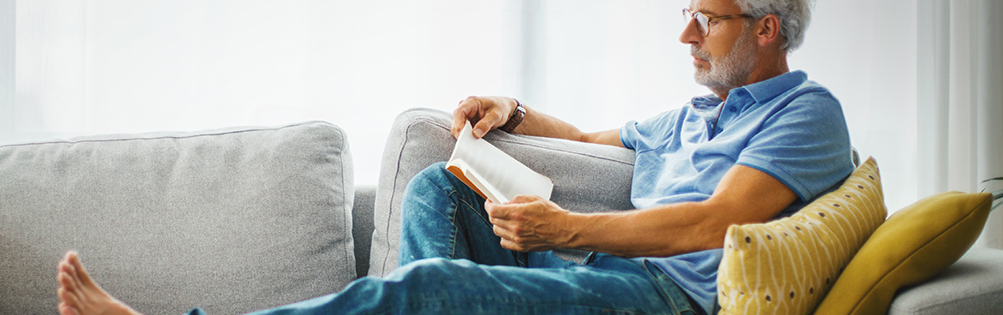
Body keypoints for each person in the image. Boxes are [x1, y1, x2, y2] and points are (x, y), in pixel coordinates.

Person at [55, 0, 853, 313]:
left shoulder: (805, 112)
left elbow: (717, 222)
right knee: (440, 186)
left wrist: (566, 230)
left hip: (663, 302)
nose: (684, 34)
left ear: (766, 27)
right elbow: (586, 140)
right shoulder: (692, 113)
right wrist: (511, 109)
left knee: (432, 284)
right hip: (600, 275)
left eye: (704, 19)